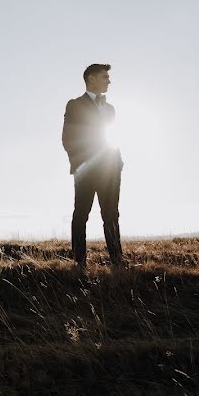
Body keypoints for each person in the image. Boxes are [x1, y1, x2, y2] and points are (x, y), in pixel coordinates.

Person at [61, 63, 124, 269]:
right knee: (81, 214)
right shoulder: (75, 105)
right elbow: (68, 138)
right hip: (86, 170)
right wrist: (80, 165)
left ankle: (117, 260)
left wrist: (117, 164)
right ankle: (79, 262)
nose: (109, 80)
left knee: (111, 214)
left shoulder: (110, 109)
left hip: (110, 170)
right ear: (91, 78)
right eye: (105, 76)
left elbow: (113, 137)